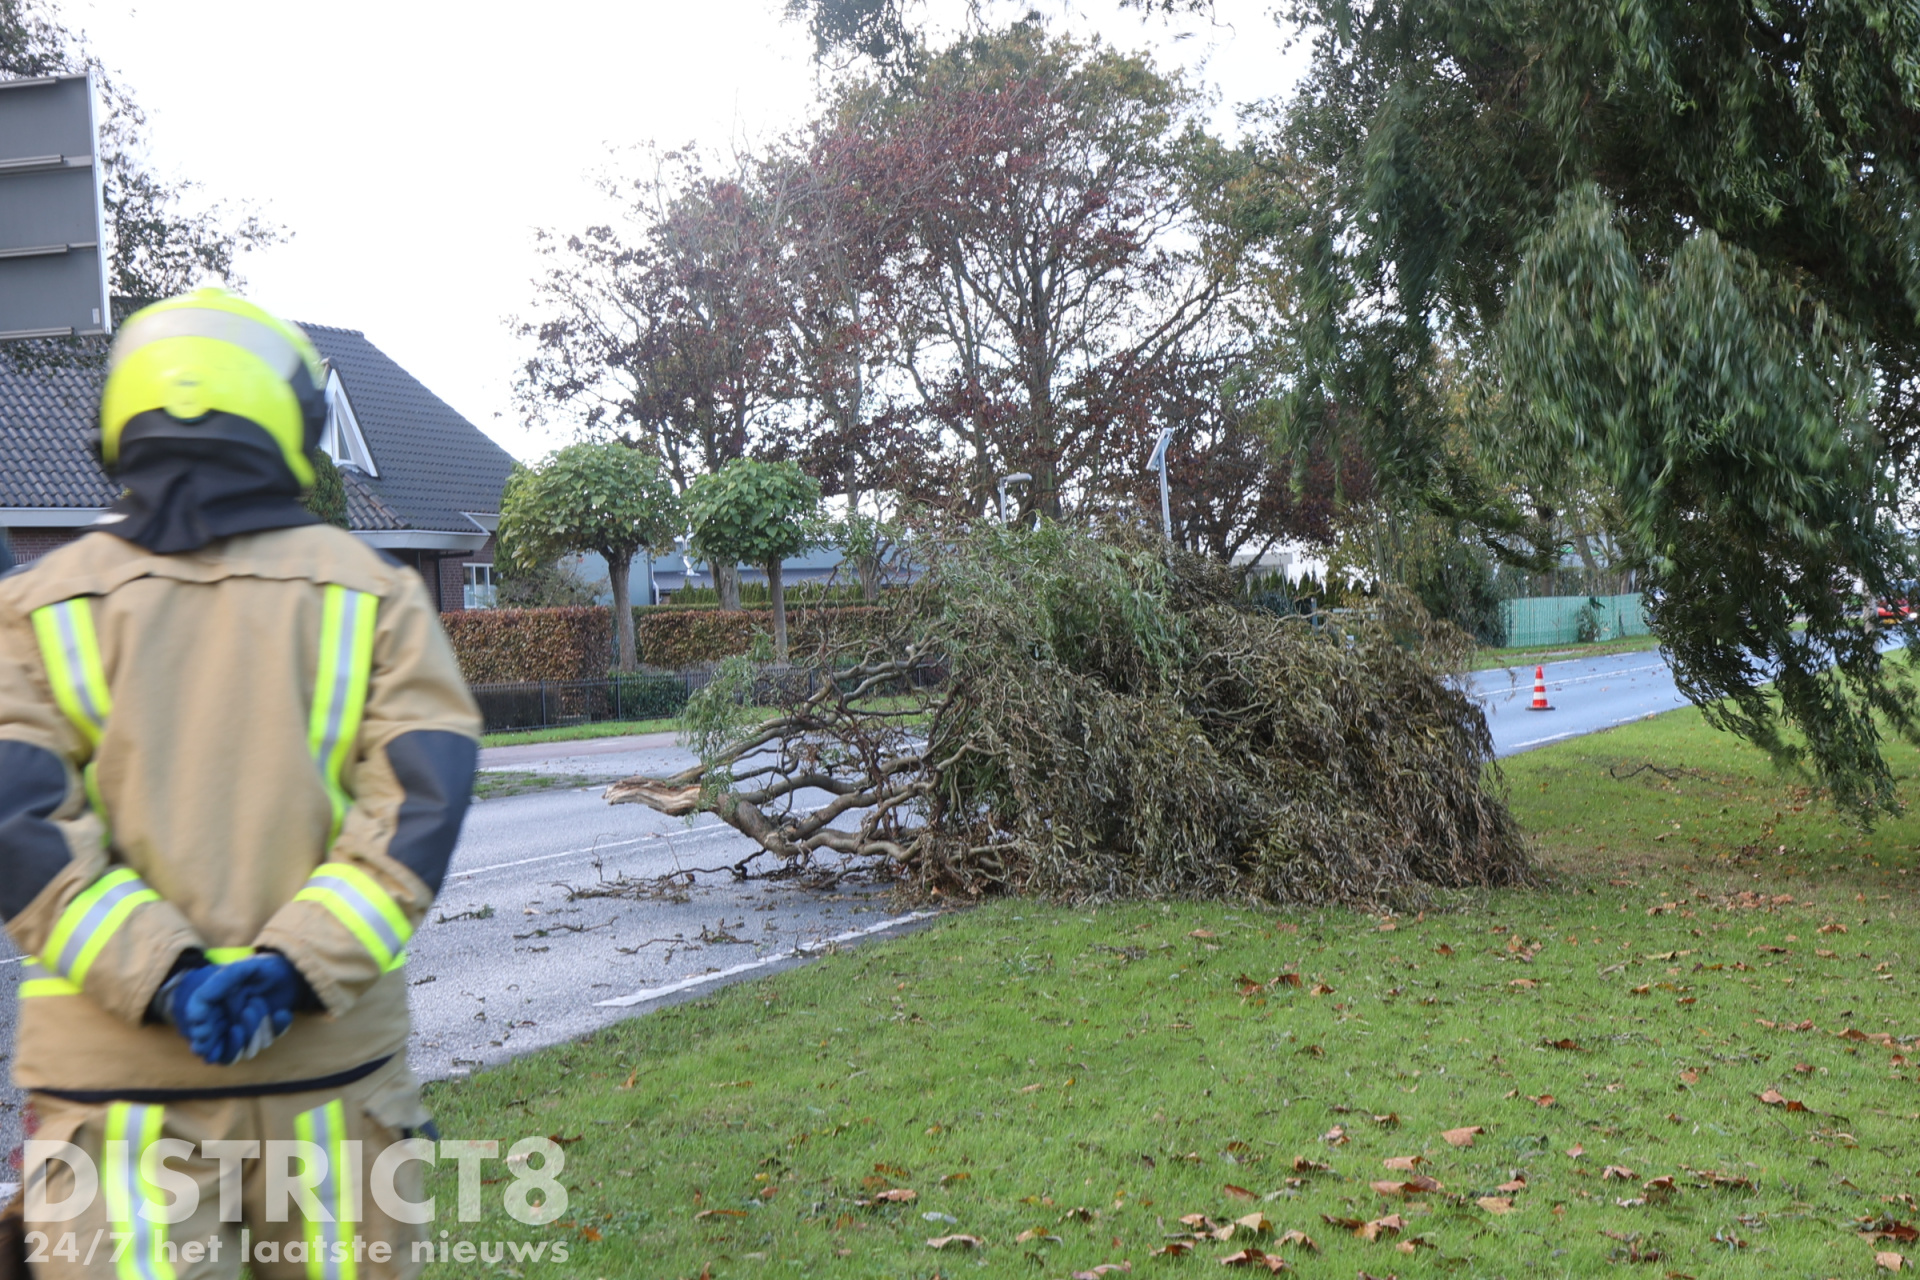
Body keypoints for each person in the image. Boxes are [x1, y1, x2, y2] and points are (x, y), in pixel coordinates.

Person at [0, 290, 480, 1278]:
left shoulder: (35, 610)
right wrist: (291, 968)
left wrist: (168, 978)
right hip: (334, 1084)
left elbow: (24, 828)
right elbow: (415, 812)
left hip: (115, 1101)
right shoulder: (377, 593)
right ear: (290, 424)